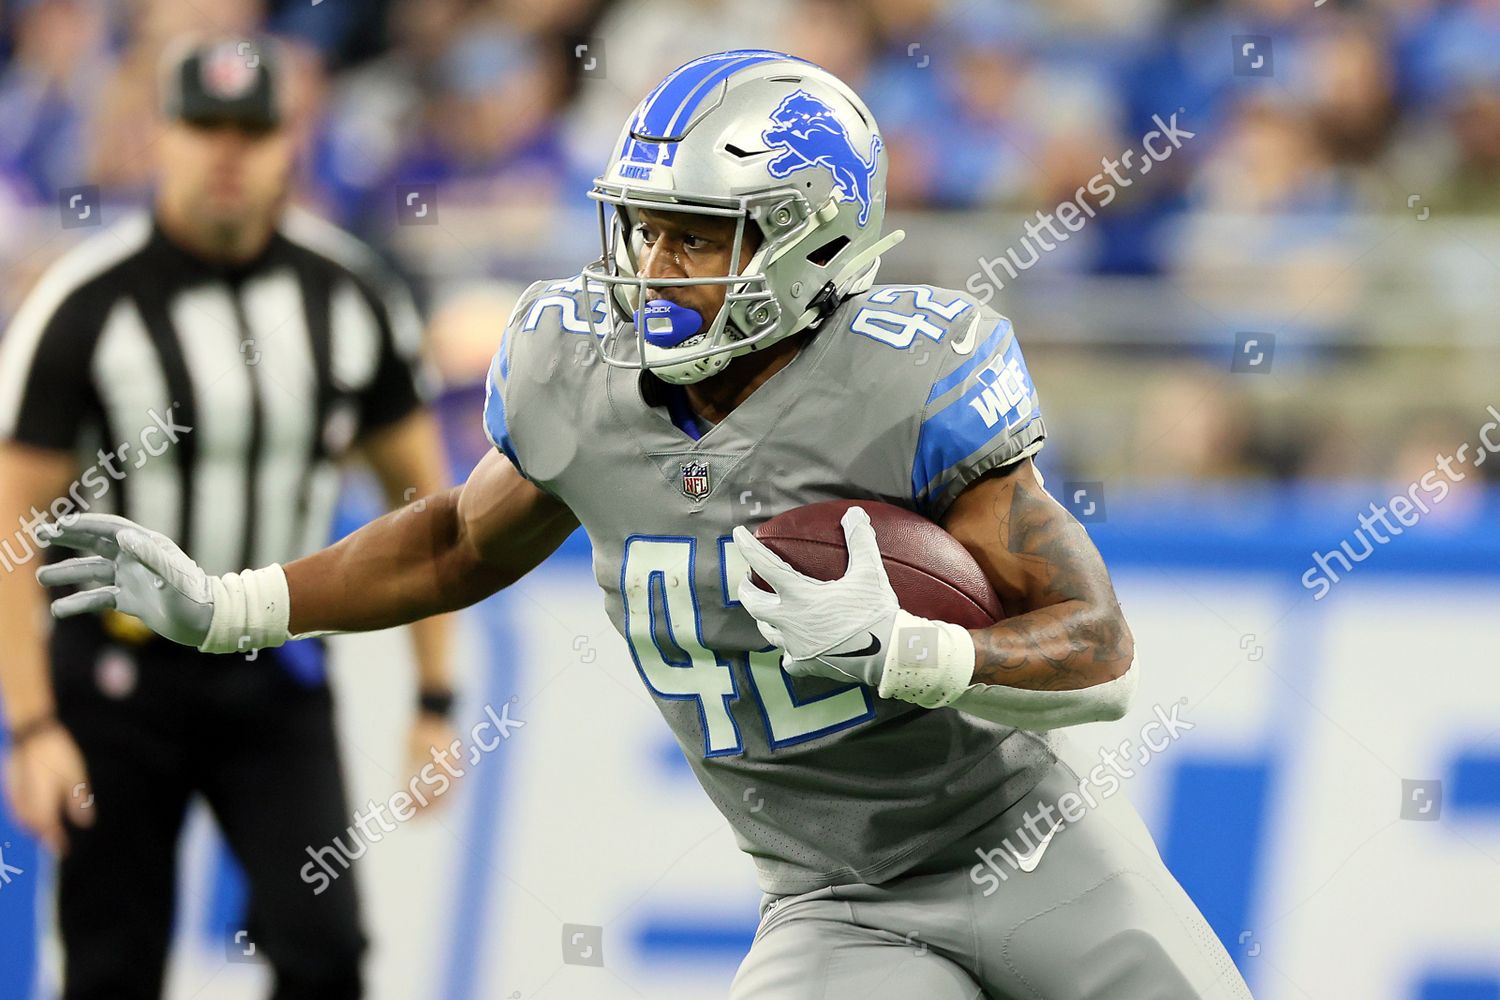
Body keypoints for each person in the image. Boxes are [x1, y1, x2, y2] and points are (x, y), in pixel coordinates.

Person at [36, 50, 1252, 998]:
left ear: (812, 240)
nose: (654, 263)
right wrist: (238, 602)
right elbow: (458, 540)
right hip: (835, 895)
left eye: (699, 237)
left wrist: (910, 649)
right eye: (647, 226)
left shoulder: (907, 383)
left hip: (1026, 846)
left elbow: (1099, 651)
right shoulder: (580, 377)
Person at [0, 37, 455, 1000]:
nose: (226, 153)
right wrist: (33, 724)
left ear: (290, 144)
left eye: (250, 130)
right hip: (114, 679)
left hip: (275, 673)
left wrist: (436, 697)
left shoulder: (350, 295)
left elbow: (429, 504)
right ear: (160, 136)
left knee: (324, 951)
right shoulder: (83, 303)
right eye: (203, 126)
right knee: (112, 967)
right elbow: (11, 524)